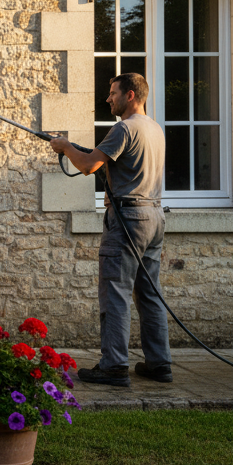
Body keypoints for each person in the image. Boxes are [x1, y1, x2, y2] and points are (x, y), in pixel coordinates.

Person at [49, 73, 171, 387]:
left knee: (115, 293)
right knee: (150, 294)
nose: (108, 99)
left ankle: (114, 366)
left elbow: (89, 166)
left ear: (130, 95)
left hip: (128, 220)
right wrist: (77, 150)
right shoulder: (153, 128)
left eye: (113, 93)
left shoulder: (124, 127)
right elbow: (106, 159)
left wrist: (64, 147)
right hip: (154, 217)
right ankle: (159, 364)